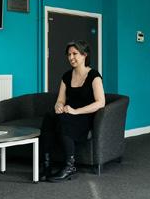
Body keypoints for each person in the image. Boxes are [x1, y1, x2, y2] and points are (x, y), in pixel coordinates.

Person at [40, 40, 105, 182]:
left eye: (75, 54)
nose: (71, 57)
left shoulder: (94, 76)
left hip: (84, 115)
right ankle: (46, 165)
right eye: (69, 54)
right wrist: (58, 106)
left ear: (84, 55)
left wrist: (76, 111)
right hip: (69, 112)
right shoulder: (66, 76)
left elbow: (100, 102)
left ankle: (70, 167)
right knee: (49, 117)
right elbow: (60, 100)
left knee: (64, 120)